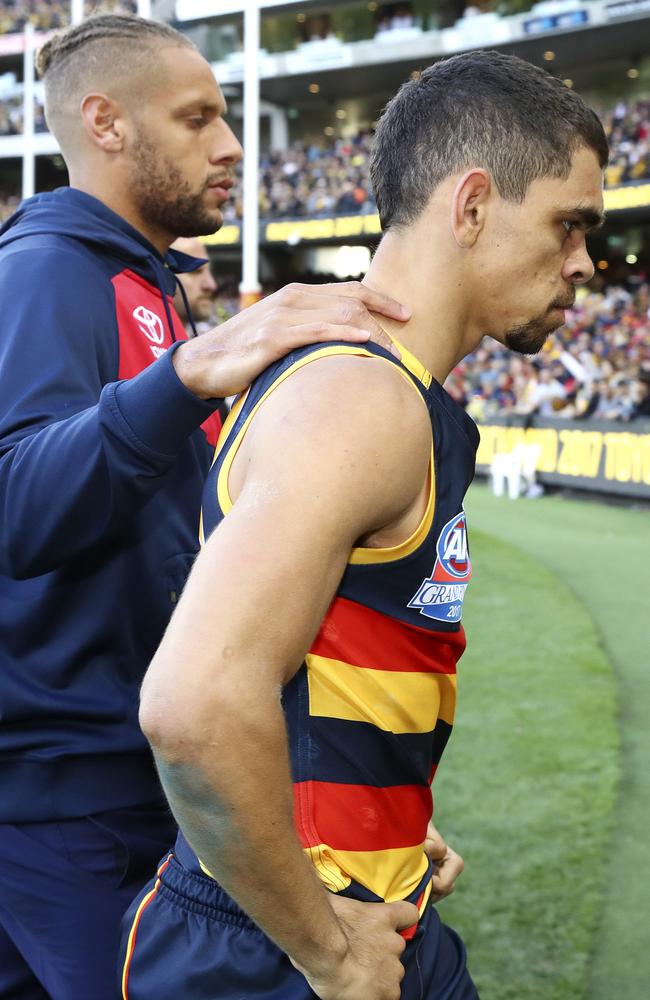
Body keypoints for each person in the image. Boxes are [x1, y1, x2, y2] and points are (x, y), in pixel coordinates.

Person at [120, 51, 607, 1000]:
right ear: (470, 207)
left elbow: (331, 657)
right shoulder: (359, 398)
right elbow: (192, 705)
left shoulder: (383, 390)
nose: (586, 261)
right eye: (569, 224)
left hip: (361, 899)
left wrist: (377, 819)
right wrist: (328, 950)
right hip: (281, 944)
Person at [0, 15, 410, 1000]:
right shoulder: (48, 270)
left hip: (103, 787)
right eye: (197, 119)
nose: (230, 146)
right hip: (70, 801)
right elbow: (16, 502)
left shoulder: (140, 280)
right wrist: (186, 372)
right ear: (104, 123)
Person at [171, 235, 218, 335]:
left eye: (209, 271)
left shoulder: (206, 341)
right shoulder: (135, 341)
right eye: (196, 271)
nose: (211, 285)